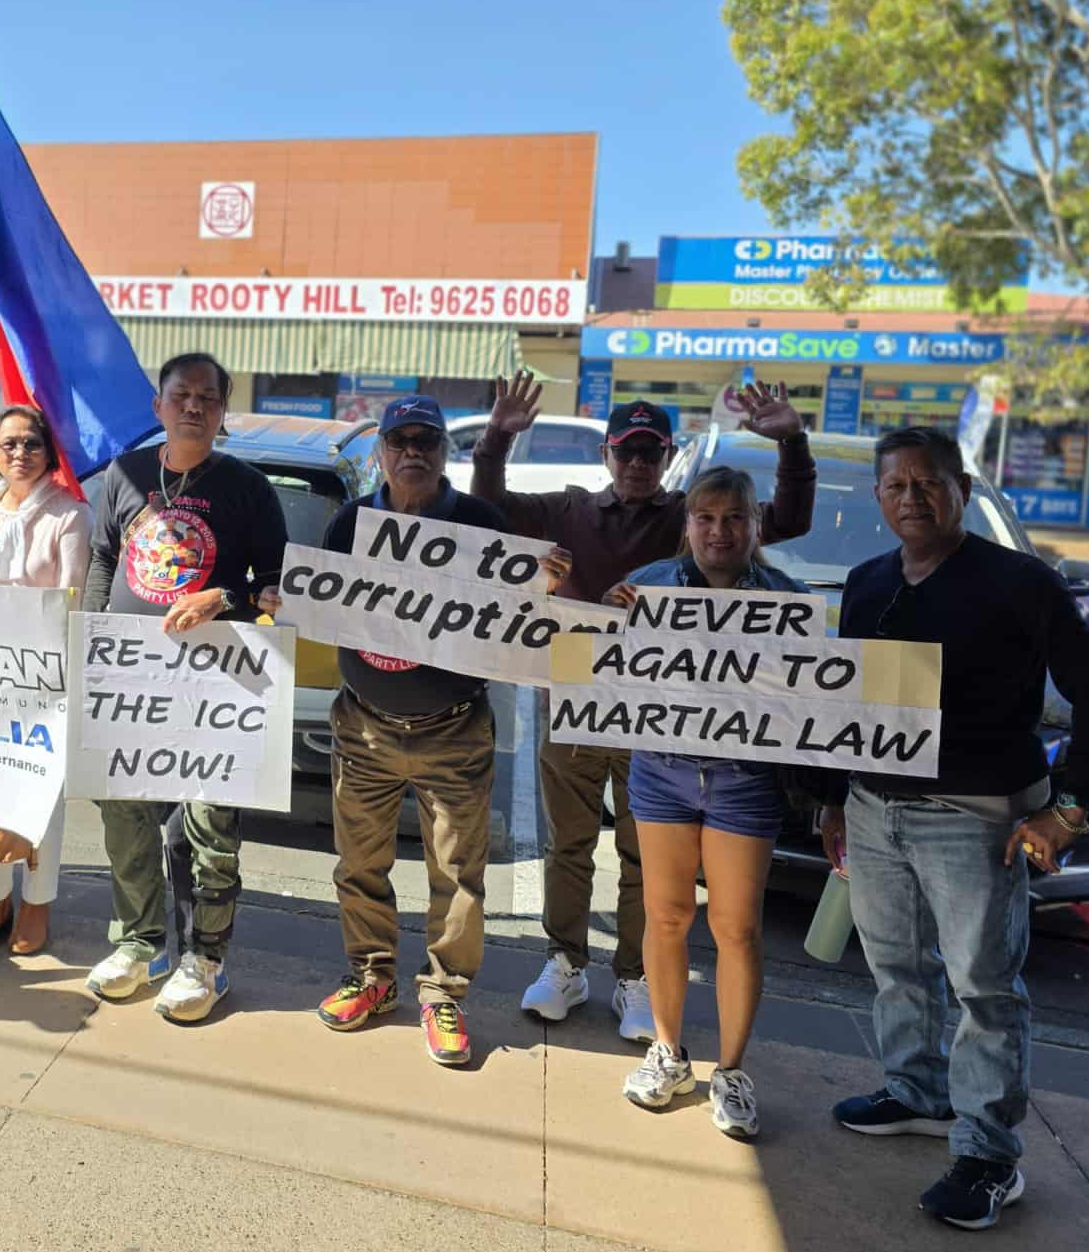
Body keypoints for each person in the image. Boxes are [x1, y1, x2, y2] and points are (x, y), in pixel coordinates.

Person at [817, 428, 1089, 1230]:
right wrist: (827, 800)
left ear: (962, 487)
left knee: (985, 989)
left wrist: (1069, 807)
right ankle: (916, 1092)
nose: (912, 497)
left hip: (975, 821)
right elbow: (840, 705)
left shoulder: (1023, 583)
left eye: (929, 482)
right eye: (896, 485)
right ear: (878, 497)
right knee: (895, 968)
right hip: (874, 813)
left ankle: (989, 1155)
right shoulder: (865, 581)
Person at [471, 375, 815, 1040]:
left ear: (667, 459)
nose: (636, 464)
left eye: (649, 453)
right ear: (606, 454)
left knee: (641, 853)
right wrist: (497, 439)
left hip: (659, 717)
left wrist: (792, 444)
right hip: (570, 702)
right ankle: (565, 961)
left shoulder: (694, 517)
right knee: (566, 844)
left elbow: (789, 518)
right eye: (626, 451)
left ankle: (634, 975)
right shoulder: (567, 509)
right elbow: (491, 508)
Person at [316, 395, 569, 1068]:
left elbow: (518, 614)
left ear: (443, 451)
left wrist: (543, 587)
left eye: (427, 439)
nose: (413, 452)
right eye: (400, 440)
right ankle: (371, 978)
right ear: (382, 452)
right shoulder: (351, 522)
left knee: (458, 874)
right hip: (364, 728)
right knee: (360, 864)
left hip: (453, 731)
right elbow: (320, 604)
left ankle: (443, 993)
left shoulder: (480, 524)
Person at [83, 352, 288, 1023]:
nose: (193, 406)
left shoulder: (248, 487)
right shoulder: (126, 474)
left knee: (208, 828)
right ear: (159, 407)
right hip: (129, 677)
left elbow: (273, 590)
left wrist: (222, 596)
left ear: (223, 411)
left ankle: (206, 959)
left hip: (216, 685)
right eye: (181, 395)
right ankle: (139, 945)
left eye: (207, 397)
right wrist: (91, 639)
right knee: (126, 816)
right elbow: (105, 556)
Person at [603, 467, 804, 1139]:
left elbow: (813, 700)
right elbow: (604, 661)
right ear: (687, 523)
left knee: (737, 928)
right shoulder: (651, 585)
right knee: (665, 916)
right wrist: (610, 616)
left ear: (756, 523)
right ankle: (668, 1051)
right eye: (707, 518)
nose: (721, 532)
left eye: (736, 518)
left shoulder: (789, 600)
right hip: (661, 771)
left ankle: (733, 1070)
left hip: (745, 778)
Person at [0, 403, 91, 957]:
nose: (19, 454)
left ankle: (35, 903)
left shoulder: (68, 515)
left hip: (39, 683)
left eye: (31, 443)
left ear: (48, 451)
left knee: (37, 798)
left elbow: (73, 601)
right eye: (8, 444)